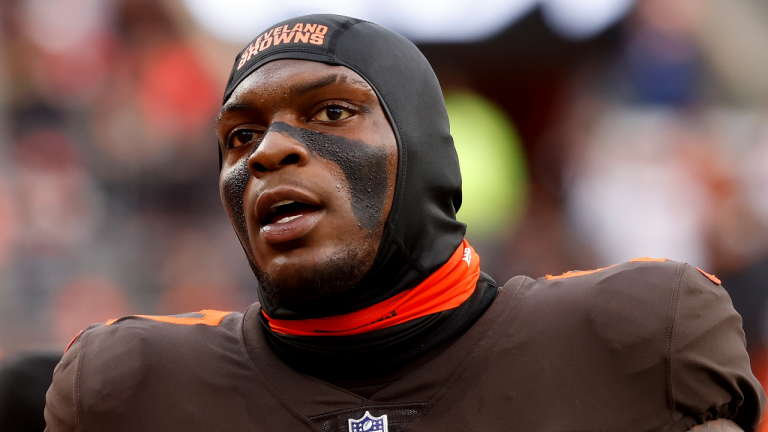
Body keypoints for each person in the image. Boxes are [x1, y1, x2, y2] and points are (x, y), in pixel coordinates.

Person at [44, 14, 764, 432]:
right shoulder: (129, 387)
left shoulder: (636, 338)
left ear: (425, 151)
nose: (269, 151)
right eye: (239, 136)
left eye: (331, 111)